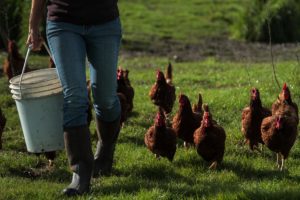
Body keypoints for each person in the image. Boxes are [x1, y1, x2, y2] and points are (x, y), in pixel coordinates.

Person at [27, 0, 122, 196]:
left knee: (106, 99)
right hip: (63, 22)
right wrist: (33, 26)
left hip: (105, 22)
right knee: (75, 97)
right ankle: (80, 174)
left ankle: (104, 153)